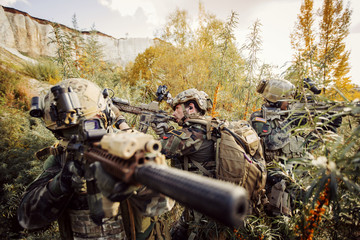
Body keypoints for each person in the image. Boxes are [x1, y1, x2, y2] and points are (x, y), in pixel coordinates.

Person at [17, 78, 173, 240]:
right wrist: (61, 184)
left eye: (91, 126)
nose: (82, 137)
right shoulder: (62, 158)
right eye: (69, 134)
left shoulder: (129, 147)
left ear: (106, 116)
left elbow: (163, 205)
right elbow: (27, 219)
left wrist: (136, 182)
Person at [250, 78, 306, 217]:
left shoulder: (286, 116)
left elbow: (304, 144)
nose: (289, 103)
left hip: (291, 174)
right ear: (278, 100)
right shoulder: (258, 118)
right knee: (279, 219)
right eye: (288, 100)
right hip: (272, 180)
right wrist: (291, 122)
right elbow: (271, 142)